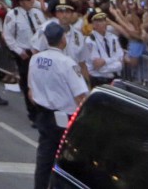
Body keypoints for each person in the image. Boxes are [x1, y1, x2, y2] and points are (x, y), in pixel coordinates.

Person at [27, 22, 90, 189]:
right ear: (62, 39)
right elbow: (80, 95)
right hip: (65, 118)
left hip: (43, 114)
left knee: (44, 160)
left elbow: (31, 92)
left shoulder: (35, 60)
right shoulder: (67, 63)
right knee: (68, 161)